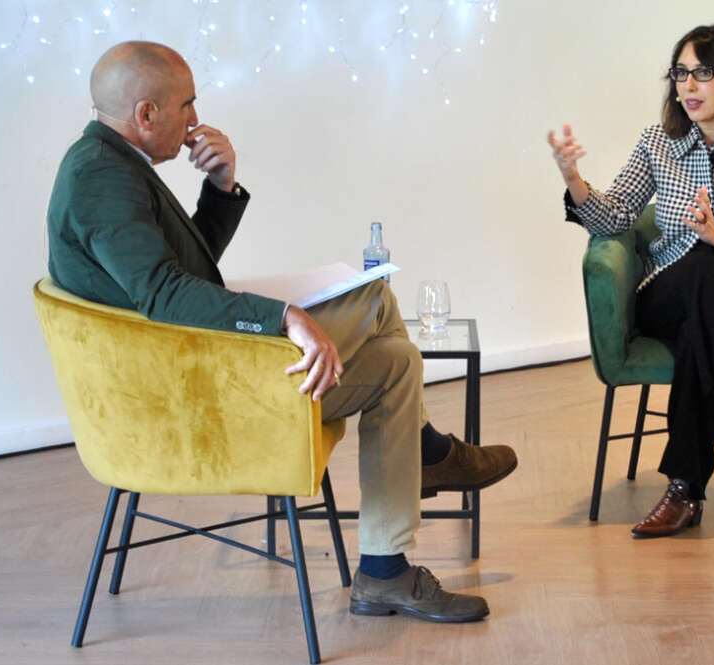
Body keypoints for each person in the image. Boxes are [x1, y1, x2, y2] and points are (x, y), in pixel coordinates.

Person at [47, 40, 517, 622]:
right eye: (187, 106)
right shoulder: (102, 180)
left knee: (398, 362)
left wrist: (220, 188)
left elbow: (184, 273)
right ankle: (431, 453)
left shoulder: (110, 163)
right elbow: (165, 293)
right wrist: (285, 316)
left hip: (189, 367)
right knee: (372, 293)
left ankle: (383, 574)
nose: (196, 119)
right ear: (146, 114)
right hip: (186, 397)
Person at [547, 24, 714, 538]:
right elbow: (615, 216)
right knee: (696, 265)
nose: (689, 86)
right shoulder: (658, 143)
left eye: (704, 74)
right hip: (668, 290)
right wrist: (573, 180)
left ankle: (684, 491)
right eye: (681, 73)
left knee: (699, 332)